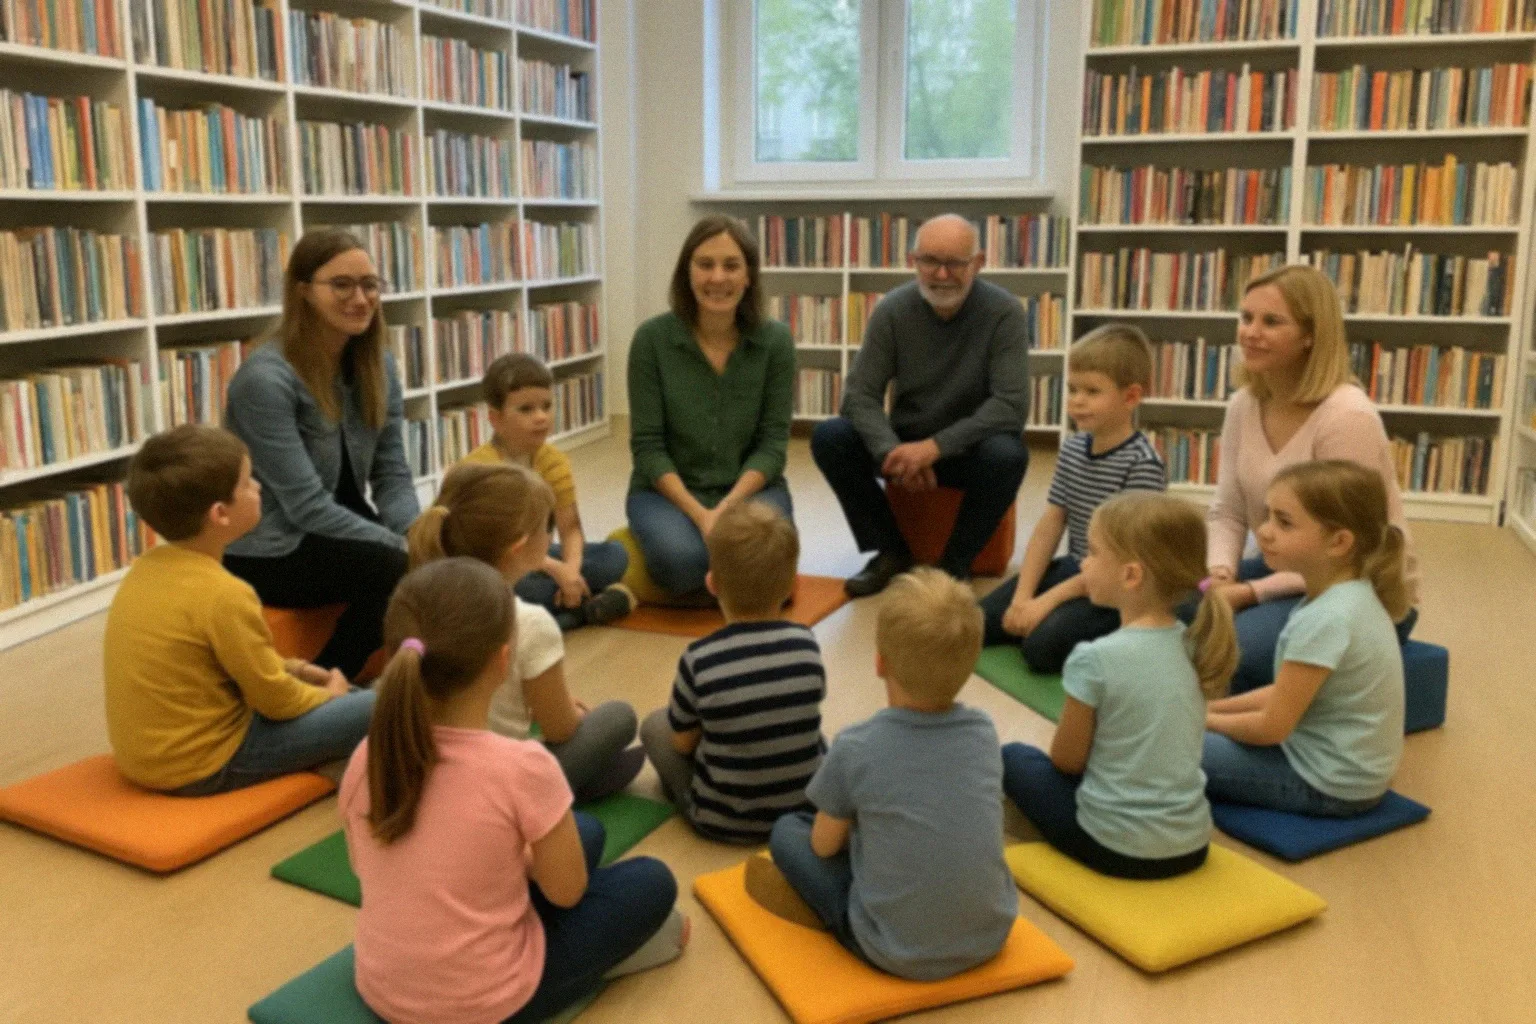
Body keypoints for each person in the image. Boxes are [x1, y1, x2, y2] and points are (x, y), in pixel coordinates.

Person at [341, 558, 685, 1024]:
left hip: (382, 987)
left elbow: (366, 867)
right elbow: (566, 894)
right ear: (503, 662)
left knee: (586, 831)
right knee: (652, 880)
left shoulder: (367, 755)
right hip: (488, 1003)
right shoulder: (522, 765)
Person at [769, 569, 1017, 981]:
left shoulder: (857, 745)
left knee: (788, 832)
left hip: (893, 949)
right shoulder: (984, 731)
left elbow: (823, 847)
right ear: (972, 664)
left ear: (880, 663)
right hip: (990, 935)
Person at [104, 425, 376, 795]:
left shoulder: (146, 568)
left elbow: (228, 662)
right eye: (248, 482)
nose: (259, 487)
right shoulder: (225, 594)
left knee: (355, 700)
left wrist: (295, 669)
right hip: (204, 765)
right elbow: (277, 701)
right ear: (220, 514)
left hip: (147, 759)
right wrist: (331, 696)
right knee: (384, 705)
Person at [1204, 265, 1419, 691]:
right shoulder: (1244, 404)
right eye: (1246, 318)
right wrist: (1221, 575)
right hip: (1279, 566)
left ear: (1310, 335)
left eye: (1271, 321)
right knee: (1177, 598)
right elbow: (1227, 510)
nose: (1250, 333)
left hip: (1354, 586)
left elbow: (1349, 551)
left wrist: (1248, 594)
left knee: (1236, 646)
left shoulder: (1346, 417)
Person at [1001, 493, 1235, 879]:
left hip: (1114, 848)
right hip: (1192, 845)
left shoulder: (1094, 658)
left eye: (1093, 553)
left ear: (1131, 575)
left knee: (1013, 757)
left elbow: (1067, 762)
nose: (1083, 563)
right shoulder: (1197, 643)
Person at [223, 228, 419, 680]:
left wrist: (417, 531)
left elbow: (392, 473)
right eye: (342, 285)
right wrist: (402, 547)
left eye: (370, 285)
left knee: (449, 549)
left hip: (340, 525)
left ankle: (420, 671)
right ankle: (323, 681)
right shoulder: (265, 380)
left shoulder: (378, 364)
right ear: (304, 291)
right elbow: (306, 507)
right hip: (272, 546)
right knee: (397, 567)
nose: (360, 299)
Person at [813, 214, 1029, 598]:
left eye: (955, 263)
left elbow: (1010, 405)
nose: (942, 274)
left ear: (978, 262)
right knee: (831, 436)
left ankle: (955, 563)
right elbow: (859, 395)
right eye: (930, 261)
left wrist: (935, 448)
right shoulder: (892, 310)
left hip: (968, 451)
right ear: (913, 260)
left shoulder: (1004, 312)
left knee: (1008, 454)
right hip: (903, 447)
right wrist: (892, 452)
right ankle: (890, 550)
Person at [408, 462, 644, 803]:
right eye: (548, 527)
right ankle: (573, 787)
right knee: (619, 718)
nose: (551, 538)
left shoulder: (417, 601)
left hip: (429, 774)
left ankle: (584, 780)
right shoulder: (527, 622)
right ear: (519, 546)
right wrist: (572, 711)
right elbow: (560, 729)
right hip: (491, 783)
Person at [1203, 460, 1408, 817]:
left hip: (1326, 785)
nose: (1263, 532)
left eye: (1284, 523)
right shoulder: (1348, 594)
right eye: (1268, 516)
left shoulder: (1326, 619)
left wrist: (1200, 721)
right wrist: (1212, 709)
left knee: (1162, 744)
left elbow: (1271, 727)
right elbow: (1286, 691)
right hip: (1348, 774)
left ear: (1339, 542)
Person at [626, 215, 795, 602]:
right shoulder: (651, 340)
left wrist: (726, 510)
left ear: (749, 276)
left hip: (750, 490)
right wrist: (702, 517)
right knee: (683, 562)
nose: (718, 278)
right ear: (687, 272)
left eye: (731, 265)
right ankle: (730, 579)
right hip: (667, 493)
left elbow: (772, 446)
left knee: (764, 561)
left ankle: (717, 577)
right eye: (705, 264)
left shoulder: (776, 341)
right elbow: (648, 448)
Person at [979, 324, 1166, 671]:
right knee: (979, 622)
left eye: (1092, 391)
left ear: (1130, 397)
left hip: (1116, 587)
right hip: (1075, 568)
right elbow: (1052, 523)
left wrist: (1044, 603)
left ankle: (1126, 635)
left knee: (1039, 649)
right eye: (1072, 389)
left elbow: (1121, 559)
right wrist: (1022, 597)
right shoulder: (1073, 447)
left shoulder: (1143, 464)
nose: (1077, 401)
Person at [639, 501, 825, 843]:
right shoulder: (807, 644)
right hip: (804, 811)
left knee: (654, 726)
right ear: (793, 585)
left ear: (712, 584)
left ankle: (684, 793)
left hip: (723, 821)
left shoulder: (699, 658)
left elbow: (682, 744)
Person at [461, 353, 633, 630]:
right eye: (526, 409)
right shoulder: (482, 469)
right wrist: (557, 570)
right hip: (490, 565)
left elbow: (571, 528)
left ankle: (562, 609)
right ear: (495, 418)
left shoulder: (553, 461)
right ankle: (580, 610)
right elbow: (499, 549)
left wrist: (571, 571)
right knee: (515, 590)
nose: (541, 417)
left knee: (614, 555)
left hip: (535, 556)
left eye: (547, 406)